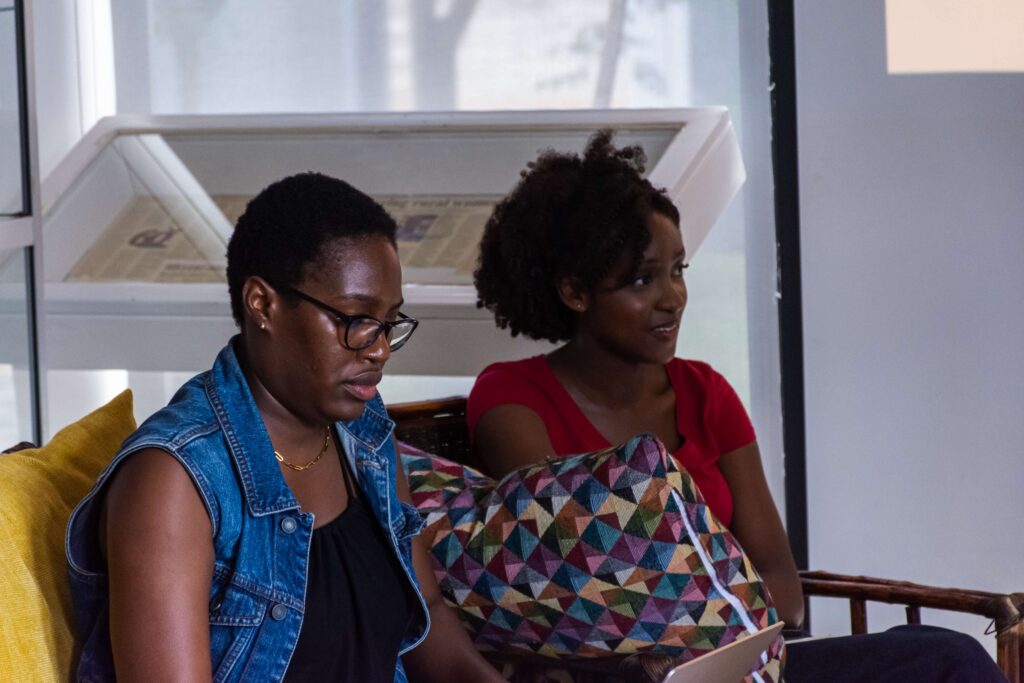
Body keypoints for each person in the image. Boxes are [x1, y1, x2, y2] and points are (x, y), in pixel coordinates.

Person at [468, 131, 1007, 682]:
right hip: (620, 674)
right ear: (575, 293)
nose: (672, 297)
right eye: (641, 279)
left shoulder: (705, 393)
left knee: (941, 653)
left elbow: (782, 584)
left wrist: (727, 646)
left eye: (678, 270)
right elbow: (564, 560)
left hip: (745, 659)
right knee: (942, 659)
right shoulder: (512, 398)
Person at [66, 173, 504, 683]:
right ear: (263, 304)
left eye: (389, 322)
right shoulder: (173, 480)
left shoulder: (364, 432)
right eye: (356, 319)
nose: (380, 348)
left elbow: (428, 612)